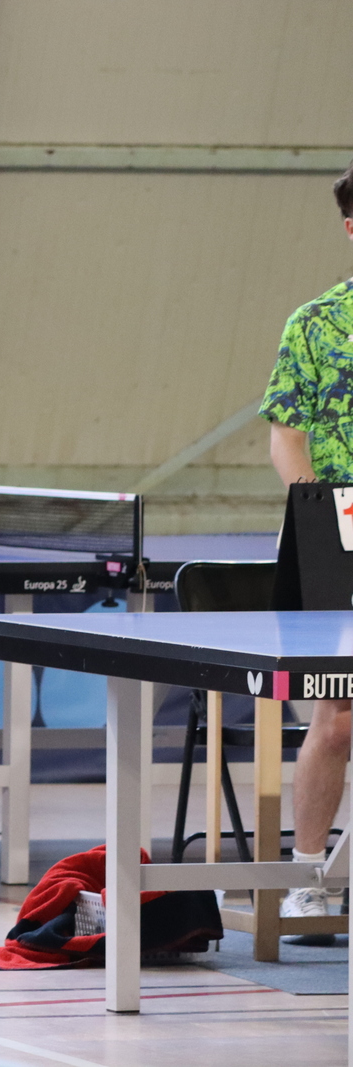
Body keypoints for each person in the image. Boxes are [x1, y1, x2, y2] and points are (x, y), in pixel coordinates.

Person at [259, 158, 353, 943]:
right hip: (339, 530)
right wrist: (321, 514)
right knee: (339, 717)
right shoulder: (316, 324)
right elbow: (285, 437)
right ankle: (309, 879)